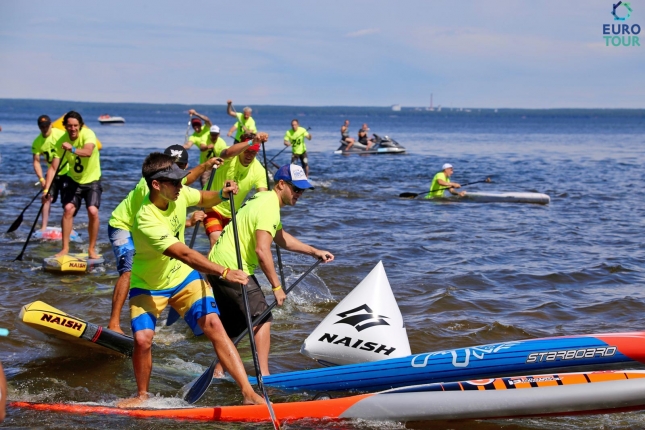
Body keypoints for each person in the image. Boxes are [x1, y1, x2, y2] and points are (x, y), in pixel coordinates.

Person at [118, 152, 264, 407]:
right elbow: (185, 253)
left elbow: (202, 197)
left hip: (183, 278)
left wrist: (221, 194)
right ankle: (142, 396)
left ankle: (248, 393)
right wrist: (224, 271)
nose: (180, 186)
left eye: (180, 181)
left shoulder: (177, 192)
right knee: (142, 340)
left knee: (214, 326)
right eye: (174, 182)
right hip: (148, 282)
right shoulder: (145, 219)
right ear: (156, 184)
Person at [207, 164, 334, 376]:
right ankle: (264, 377)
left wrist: (314, 251)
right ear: (281, 184)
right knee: (263, 318)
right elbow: (262, 250)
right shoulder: (269, 206)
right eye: (296, 189)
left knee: (238, 327)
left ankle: (218, 372)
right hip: (233, 269)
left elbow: (281, 237)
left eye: (302, 190)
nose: (299, 194)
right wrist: (276, 286)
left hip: (216, 267)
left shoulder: (264, 200)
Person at [107, 145, 218, 334]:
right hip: (124, 225)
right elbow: (188, 180)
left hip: (145, 230)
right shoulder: (150, 183)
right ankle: (114, 324)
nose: (176, 171)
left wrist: (190, 221)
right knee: (128, 270)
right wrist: (205, 166)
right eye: (172, 165)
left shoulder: (171, 189)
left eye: (180, 166)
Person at [42, 111, 102, 258]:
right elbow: (54, 168)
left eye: (75, 125)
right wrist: (46, 189)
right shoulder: (61, 141)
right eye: (69, 126)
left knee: (93, 211)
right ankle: (65, 249)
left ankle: (91, 249)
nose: (73, 129)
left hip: (92, 180)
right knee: (68, 209)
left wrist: (72, 149)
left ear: (80, 125)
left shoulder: (88, 134)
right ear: (65, 127)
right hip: (73, 180)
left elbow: (88, 152)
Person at [203, 133, 269, 248]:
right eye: (247, 151)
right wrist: (251, 143)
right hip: (211, 205)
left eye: (253, 152)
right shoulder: (230, 157)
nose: (249, 155)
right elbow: (227, 153)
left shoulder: (259, 170)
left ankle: (203, 265)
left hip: (232, 214)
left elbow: (262, 196)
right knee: (216, 242)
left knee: (230, 249)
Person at [31, 115, 67, 232]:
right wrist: (41, 179)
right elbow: (36, 162)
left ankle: (68, 228)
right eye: (42, 126)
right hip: (51, 173)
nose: (45, 128)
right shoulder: (37, 142)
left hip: (67, 172)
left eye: (47, 125)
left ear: (51, 124)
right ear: (39, 127)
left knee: (68, 202)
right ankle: (43, 227)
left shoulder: (60, 134)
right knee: (46, 198)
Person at [183, 109, 212, 186]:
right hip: (205, 161)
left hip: (215, 156)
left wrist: (196, 113)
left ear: (200, 124)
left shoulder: (206, 128)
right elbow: (188, 145)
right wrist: (181, 147)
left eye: (197, 125)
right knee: (203, 181)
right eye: (194, 126)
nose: (196, 127)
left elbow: (207, 120)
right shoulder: (193, 136)